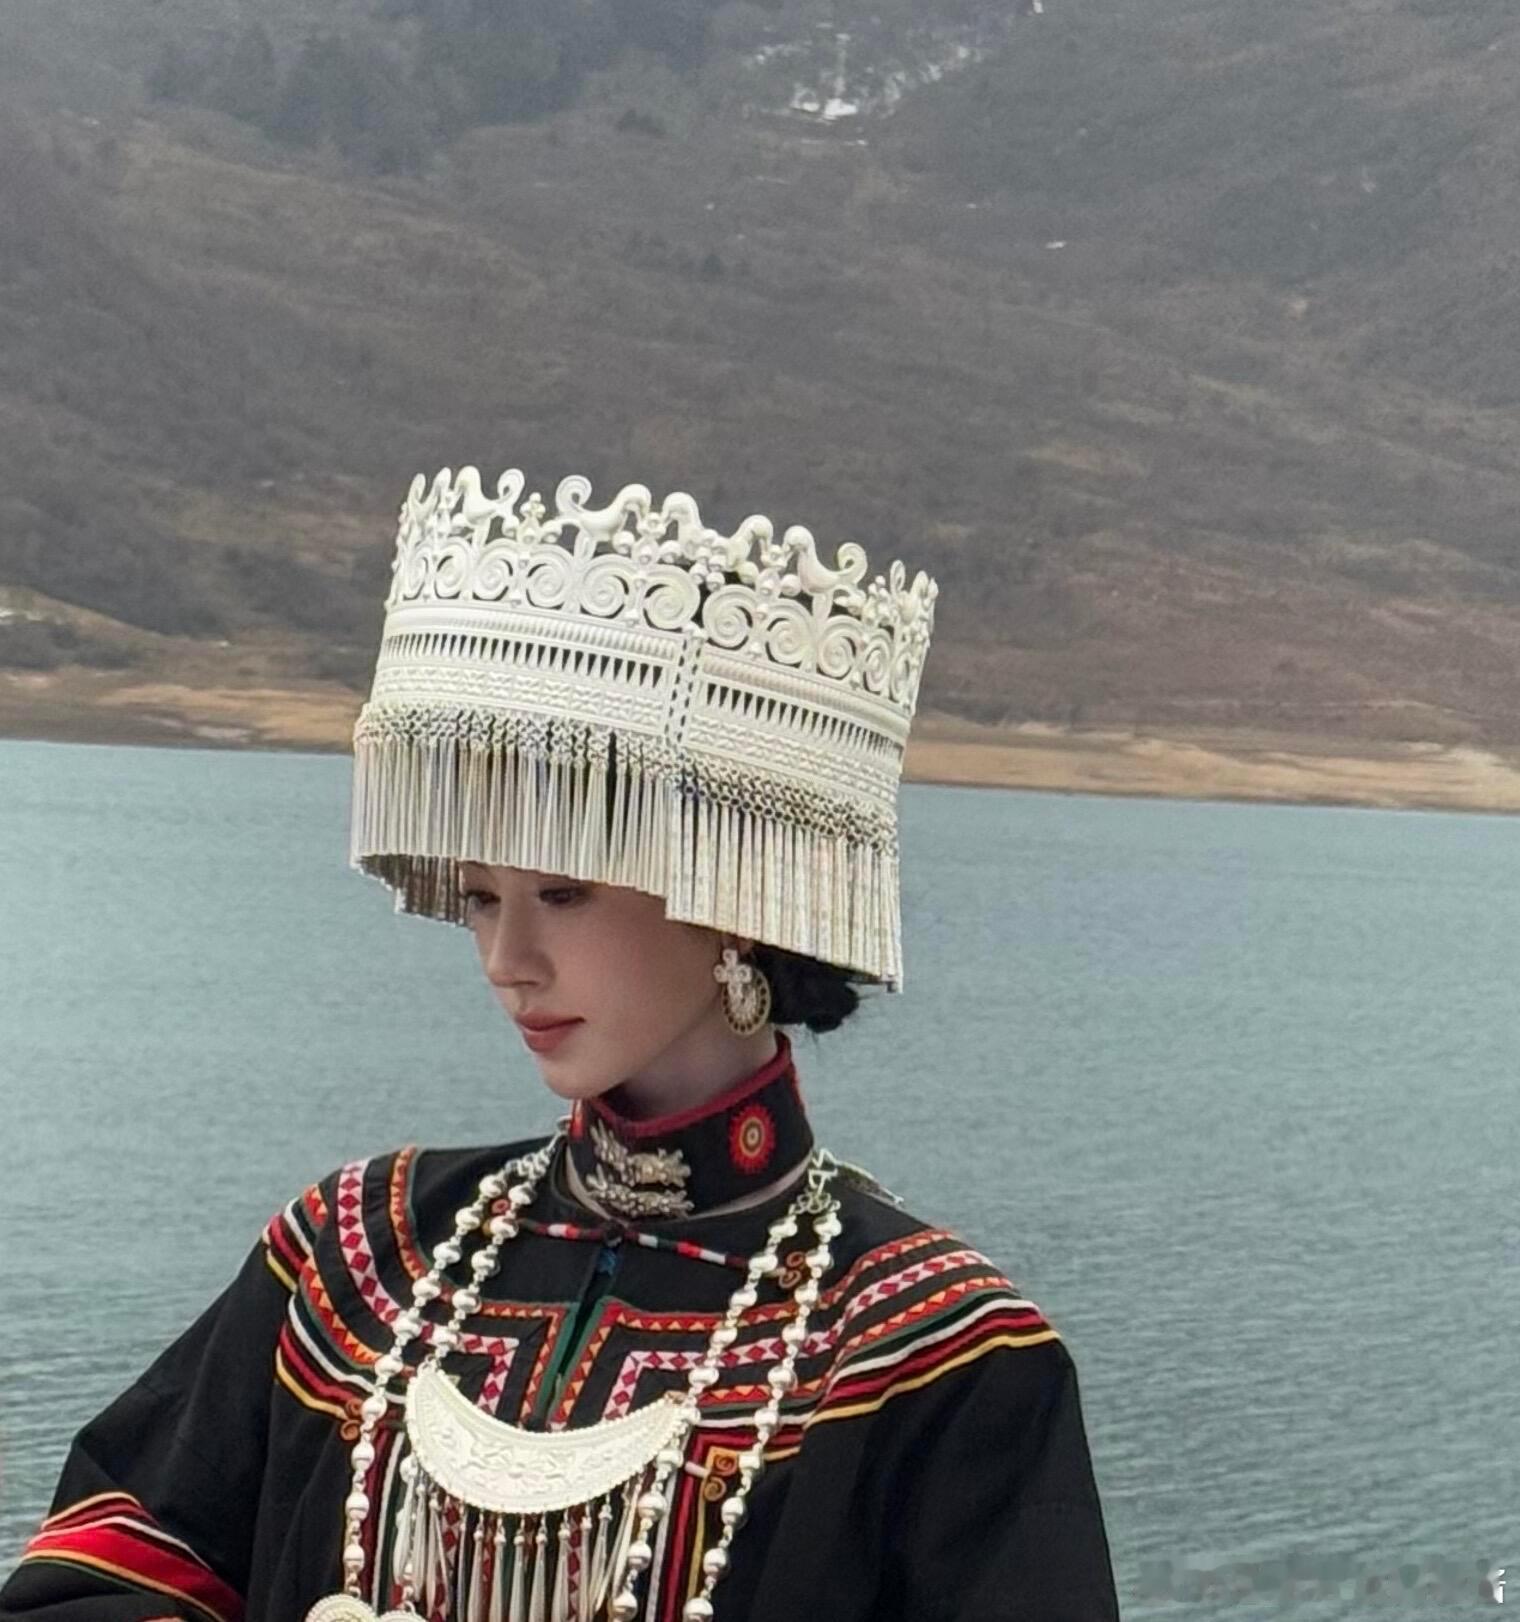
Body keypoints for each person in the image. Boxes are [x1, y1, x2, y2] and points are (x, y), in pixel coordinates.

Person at [0, 466, 1120, 1622]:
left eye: (564, 893)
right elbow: (96, 1573)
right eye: (482, 897)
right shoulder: (357, 1253)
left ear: (730, 895)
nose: (507, 958)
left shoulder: (929, 1348)